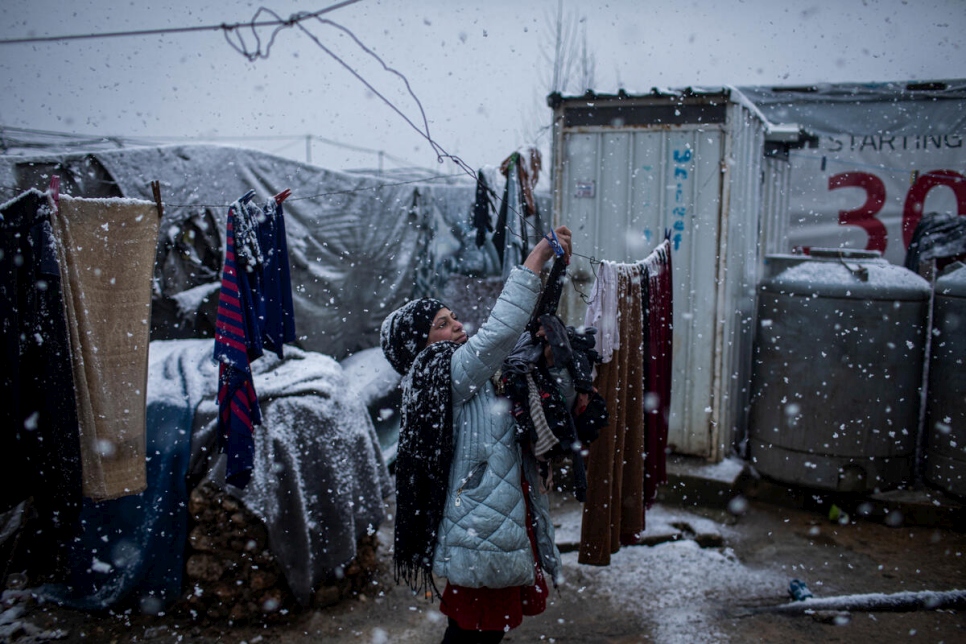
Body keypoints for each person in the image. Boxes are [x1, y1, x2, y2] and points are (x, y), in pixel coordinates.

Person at [381, 226, 572, 643]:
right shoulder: (444, 371)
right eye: (442, 324)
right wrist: (537, 258)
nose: (457, 326)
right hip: (480, 526)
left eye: (452, 318)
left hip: (483, 520)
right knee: (477, 633)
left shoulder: (453, 376)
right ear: (422, 344)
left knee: (474, 630)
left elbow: (509, 343)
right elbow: (499, 333)